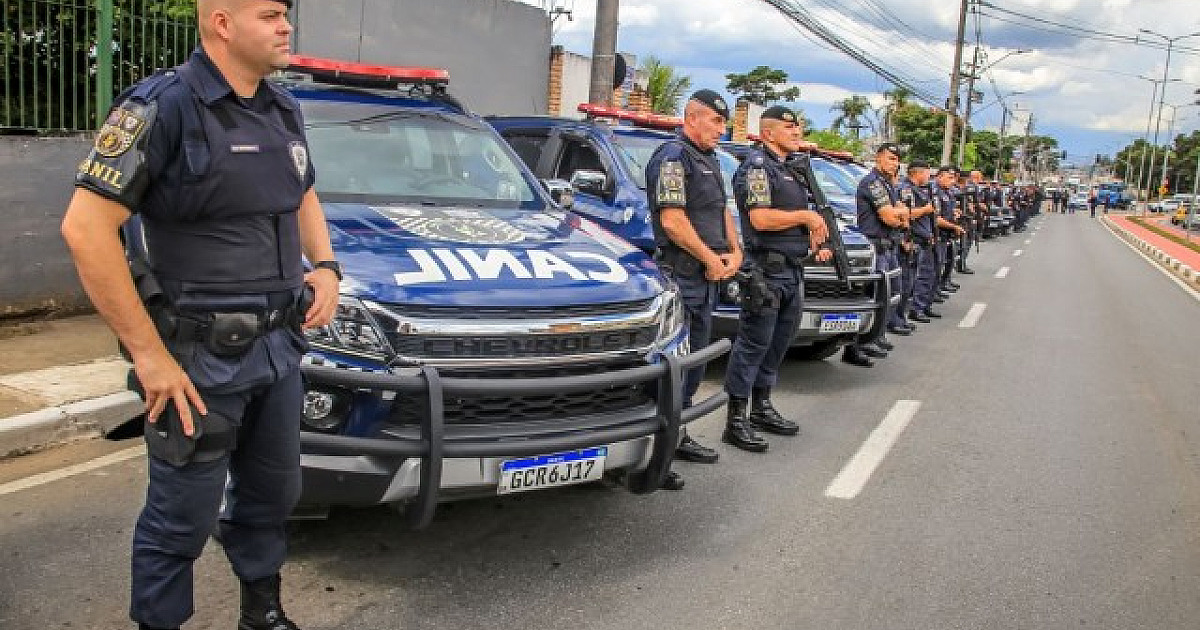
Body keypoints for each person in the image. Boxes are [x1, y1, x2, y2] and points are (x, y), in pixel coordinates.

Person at [59, 2, 338, 629]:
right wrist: (148, 356)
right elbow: (86, 231)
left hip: (278, 349)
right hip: (197, 364)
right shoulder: (162, 106)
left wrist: (326, 267)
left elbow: (304, 191)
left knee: (272, 498)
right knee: (179, 517)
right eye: (270, 14)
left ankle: (261, 614)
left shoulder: (282, 107)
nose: (285, 26)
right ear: (222, 23)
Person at [645, 89, 742, 483]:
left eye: (724, 122)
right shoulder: (673, 157)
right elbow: (673, 221)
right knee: (675, 363)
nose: (723, 129)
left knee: (698, 359)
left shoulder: (710, 160)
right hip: (685, 273)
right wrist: (709, 259)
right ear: (693, 117)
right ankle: (656, 451)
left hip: (709, 275)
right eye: (716, 121)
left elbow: (723, 212)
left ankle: (679, 433)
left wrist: (734, 253)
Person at [723, 106, 829, 452]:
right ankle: (736, 419)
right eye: (789, 128)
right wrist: (805, 216)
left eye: (798, 127)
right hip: (766, 272)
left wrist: (812, 235)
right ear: (768, 133)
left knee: (779, 342)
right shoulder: (757, 168)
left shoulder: (792, 171)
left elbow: (792, 219)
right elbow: (761, 219)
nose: (797, 133)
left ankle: (762, 407)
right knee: (753, 344)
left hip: (792, 269)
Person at [843, 143, 908, 366]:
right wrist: (899, 213)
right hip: (875, 247)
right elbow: (890, 217)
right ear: (878, 158)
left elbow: (902, 214)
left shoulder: (887, 185)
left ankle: (875, 336)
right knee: (872, 297)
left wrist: (899, 213)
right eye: (890, 158)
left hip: (888, 246)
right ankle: (856, 346)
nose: (894, 163)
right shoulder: (872, 183)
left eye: (897, 159)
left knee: (890, 295)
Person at [897, 162, 942, 322]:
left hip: (925, 239)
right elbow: (905, 214)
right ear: (919, 173)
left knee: (927, 275)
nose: (929, 177)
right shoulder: (906, 189)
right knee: (908, 280)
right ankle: (909, 312)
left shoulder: (923, 190)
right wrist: (926, 210)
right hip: (913, 239)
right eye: (927, 174)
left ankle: (921, 307)